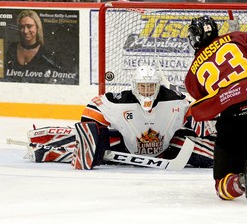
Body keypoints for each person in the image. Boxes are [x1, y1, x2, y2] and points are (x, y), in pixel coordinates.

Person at [184, 15, 247, 201]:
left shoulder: (192, 74)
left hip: (233, 125)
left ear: (194, 39)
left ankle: (241, 181)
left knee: (222, 187)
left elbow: (208, 106)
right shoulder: (239, 37)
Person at [68, 65, 214, 169]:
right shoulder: (121, 101)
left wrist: (204, 130)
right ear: (134, 86)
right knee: (72, 143)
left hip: (167, 149)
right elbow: (92, 109)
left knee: (213, 156)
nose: (146, 91)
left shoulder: (173, 100)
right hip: (124, 148)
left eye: (151, 86)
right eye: (142, 86)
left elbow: (193, 113)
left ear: (158, 86)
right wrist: (92, 136)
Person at [5, 10, 62, 83]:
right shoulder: (12, 48)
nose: (25, 31)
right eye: (22, 27)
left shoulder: (46, 53)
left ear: (37, 27)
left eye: (29, 26)